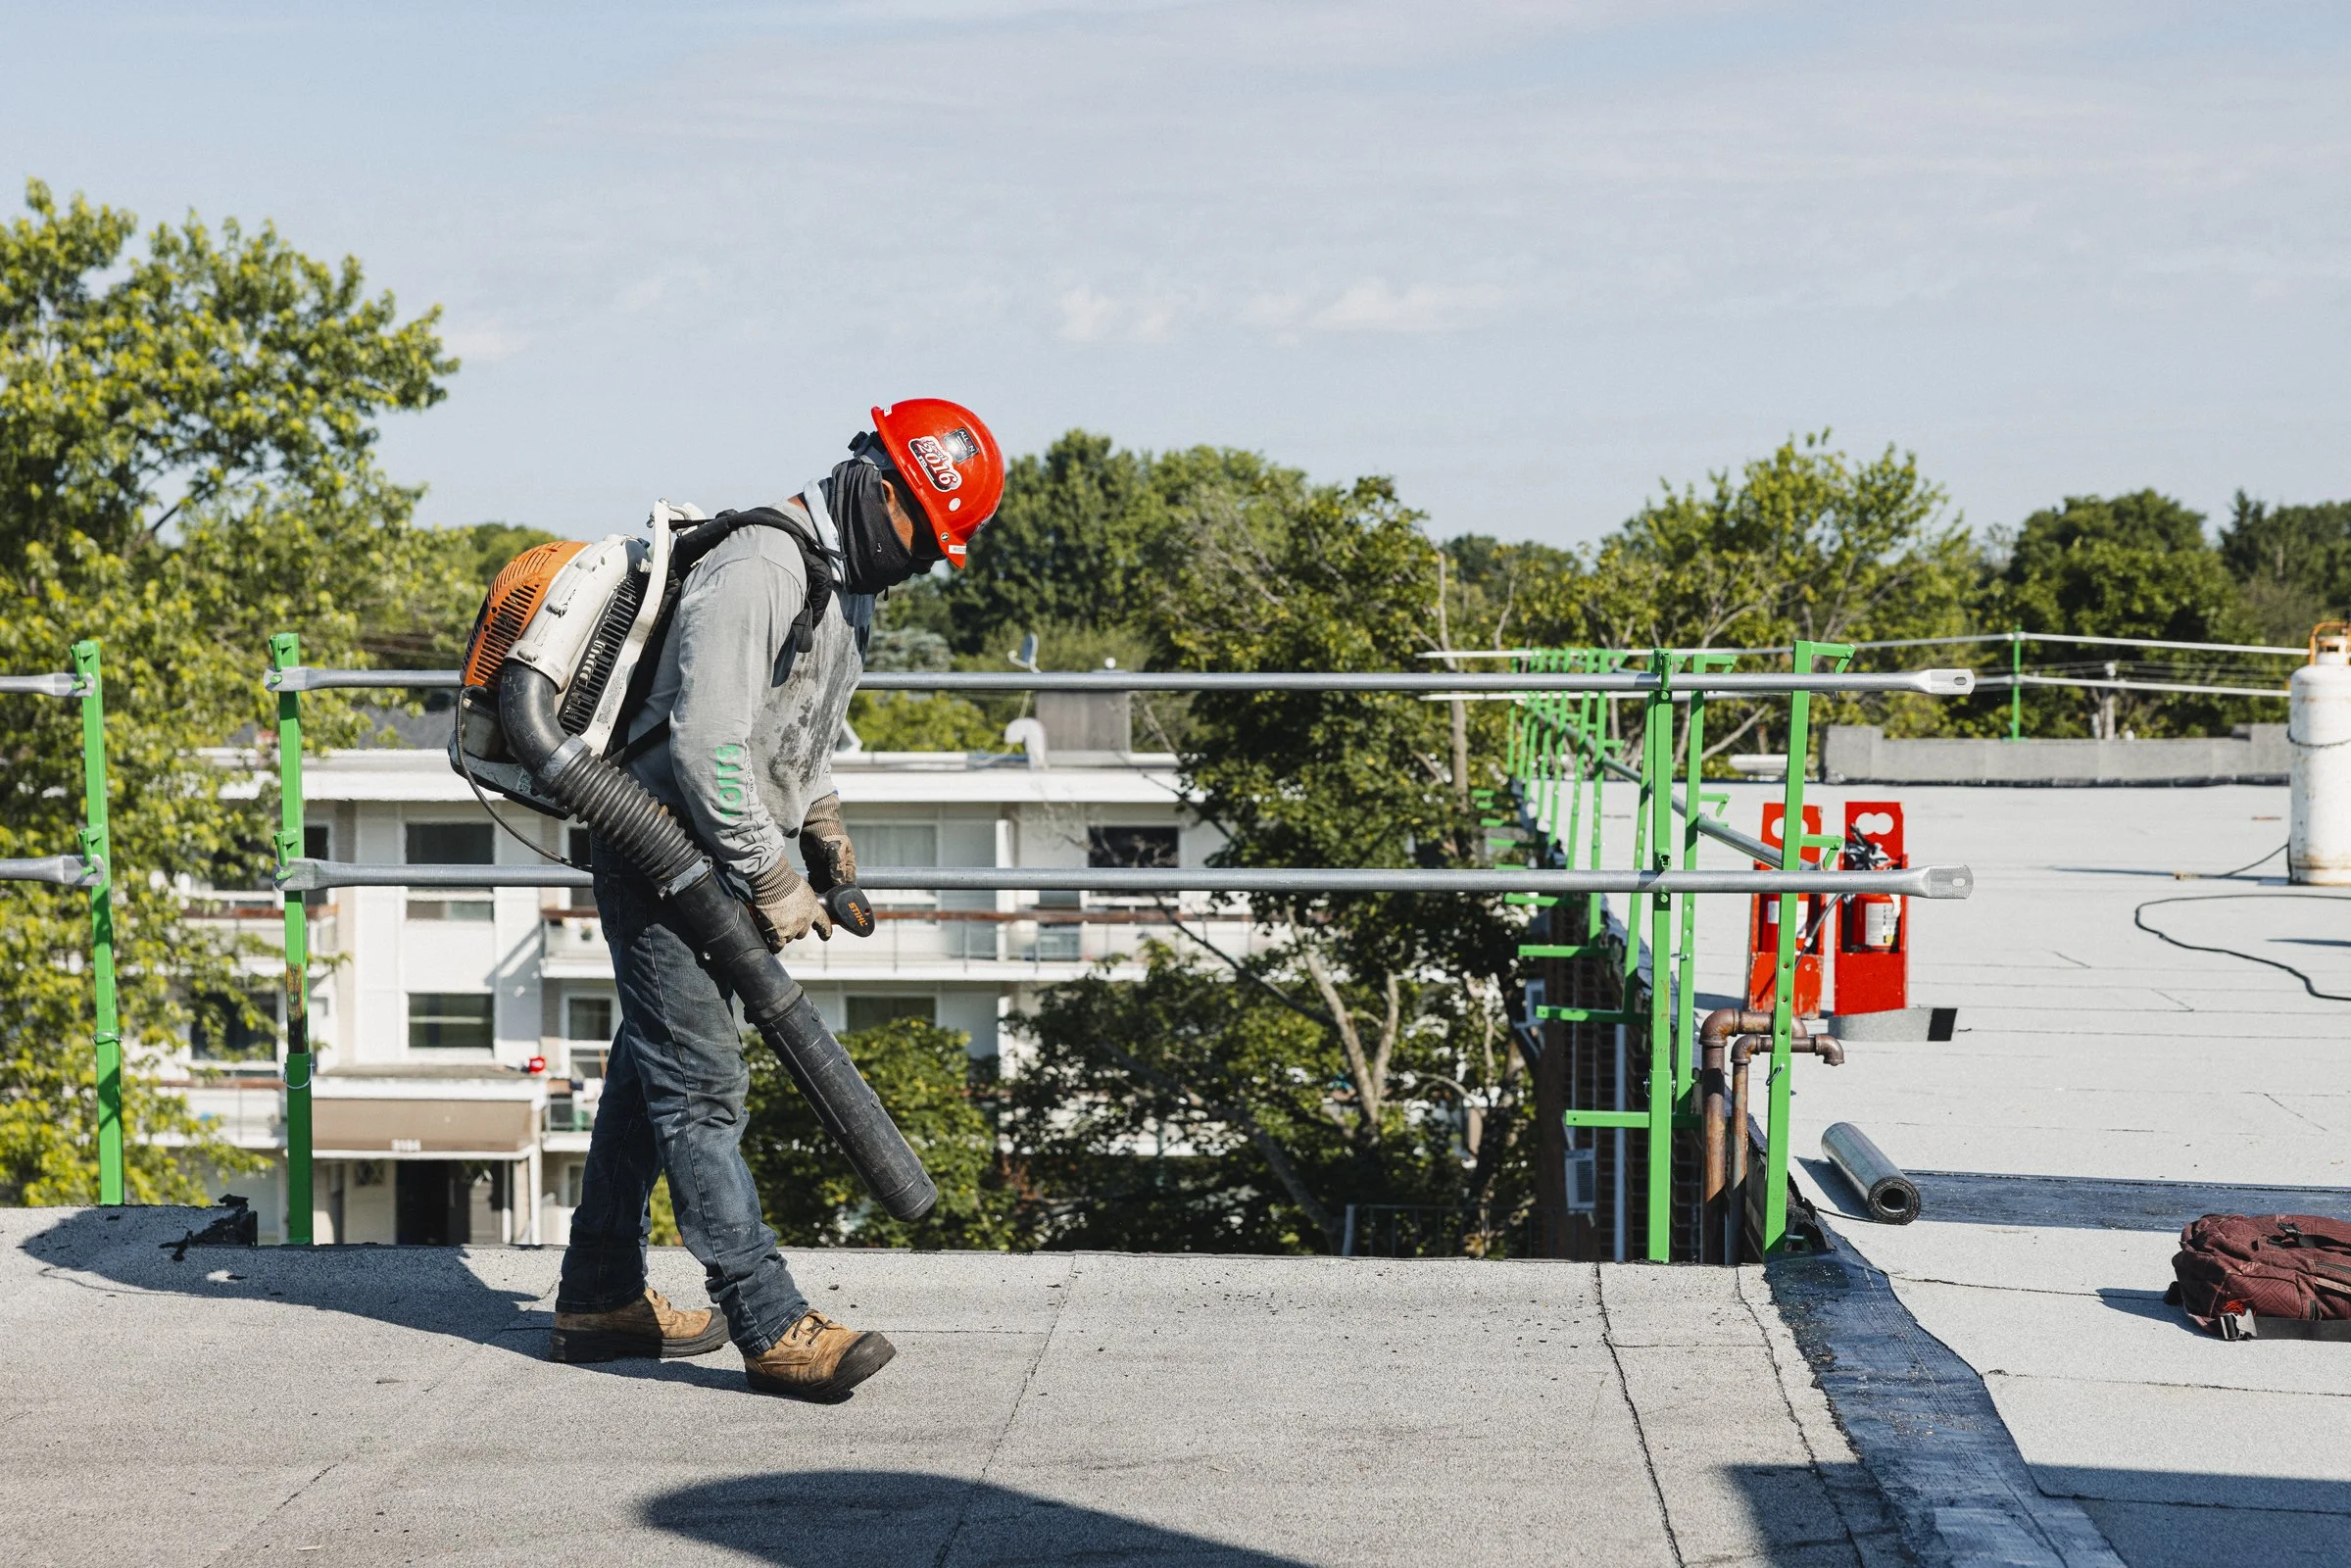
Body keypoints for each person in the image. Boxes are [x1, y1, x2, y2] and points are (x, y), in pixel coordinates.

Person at [545, 400, 1003, 1399]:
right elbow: (706, 747)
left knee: (651, 1065)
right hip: (661, 849)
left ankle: (596, 1293)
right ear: (883, 489)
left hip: (713, 858)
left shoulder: (845, 591)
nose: (925, 563)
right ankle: (765, 1318)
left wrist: (826, 837)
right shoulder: (760, 566)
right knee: (703, 1093)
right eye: (926, 539)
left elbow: (794, 736)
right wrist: (773, 876)